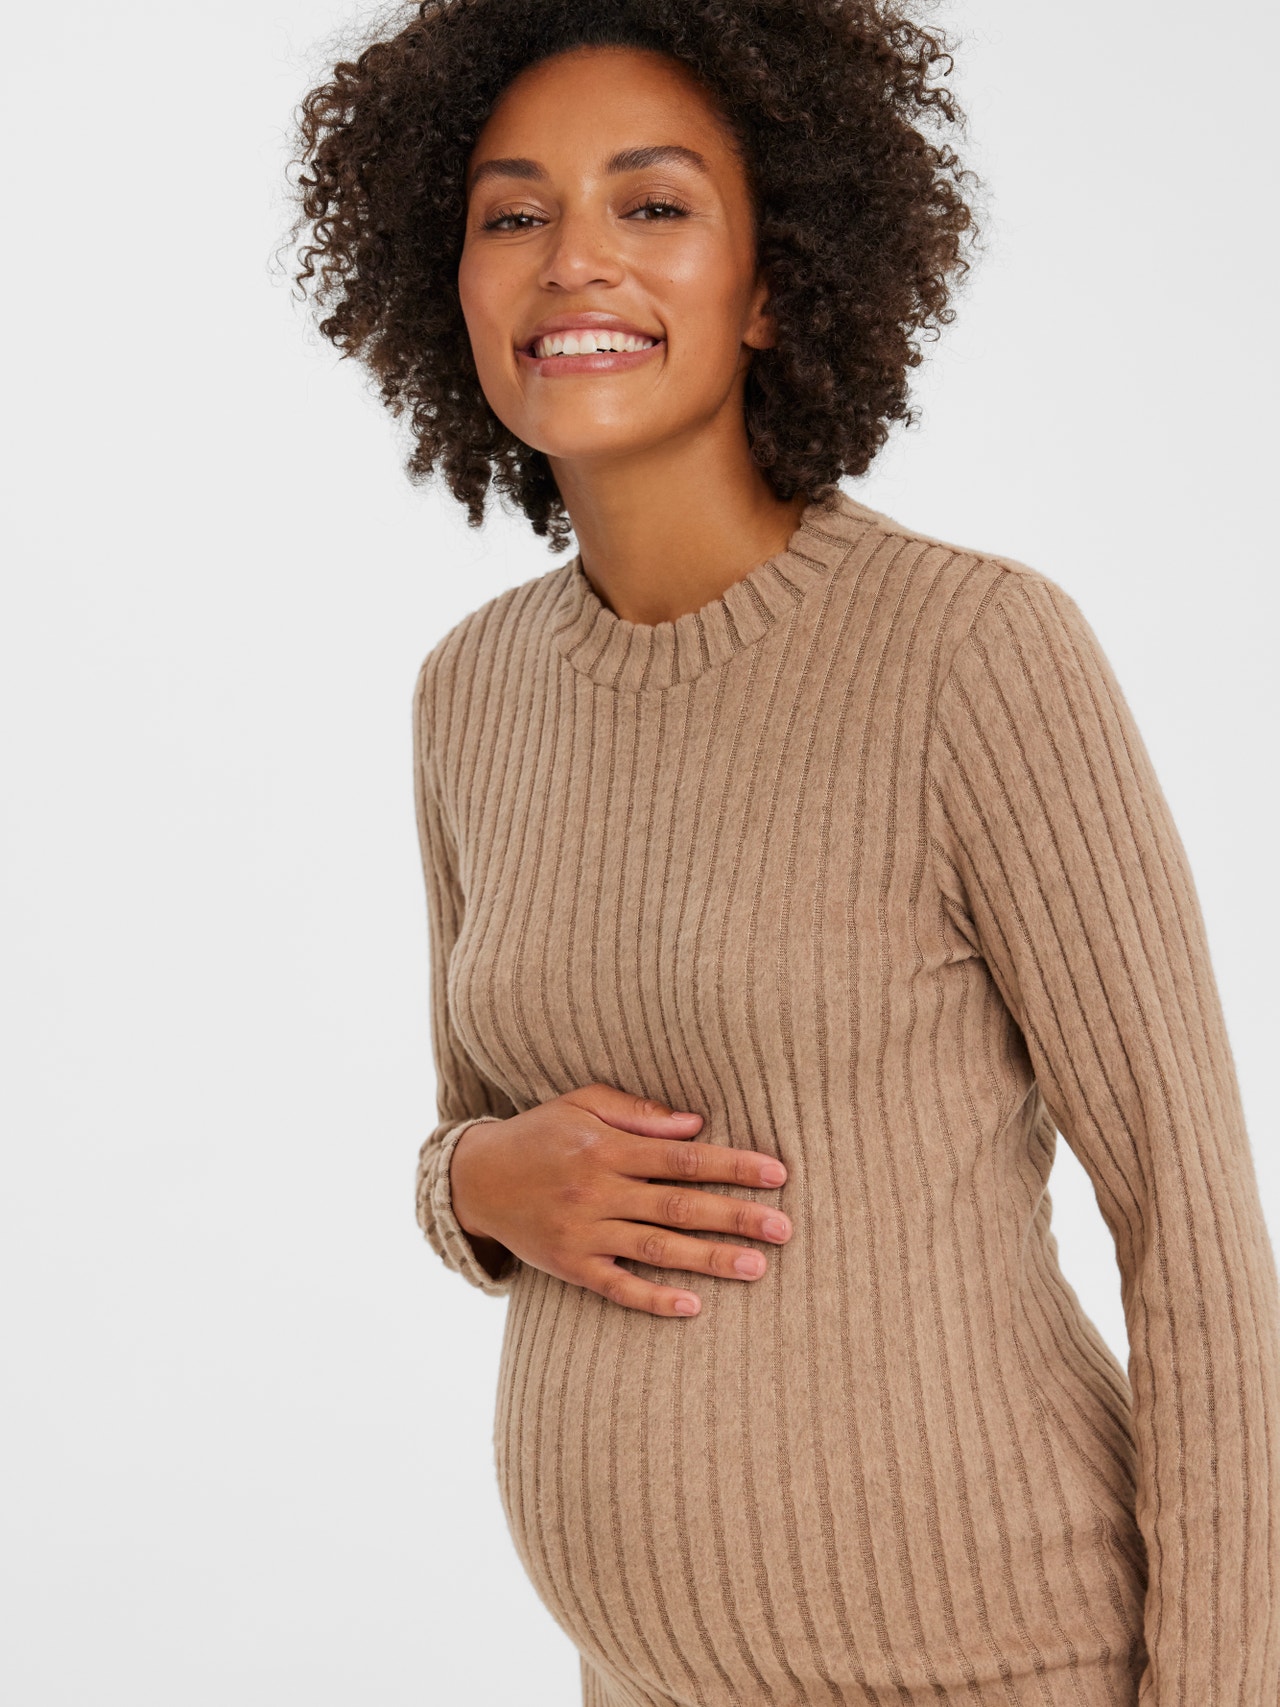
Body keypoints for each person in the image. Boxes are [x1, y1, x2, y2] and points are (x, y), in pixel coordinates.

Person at [285, 2, 1280, 1701]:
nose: (574, 258)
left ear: (772, 283)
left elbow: (1189, 1227)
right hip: (638, 1678)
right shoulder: (472, 692)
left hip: (1000, 1665)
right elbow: (483, 1137)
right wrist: (467, 1190)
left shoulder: (973, 654)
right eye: (514, 214)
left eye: (653, 204)